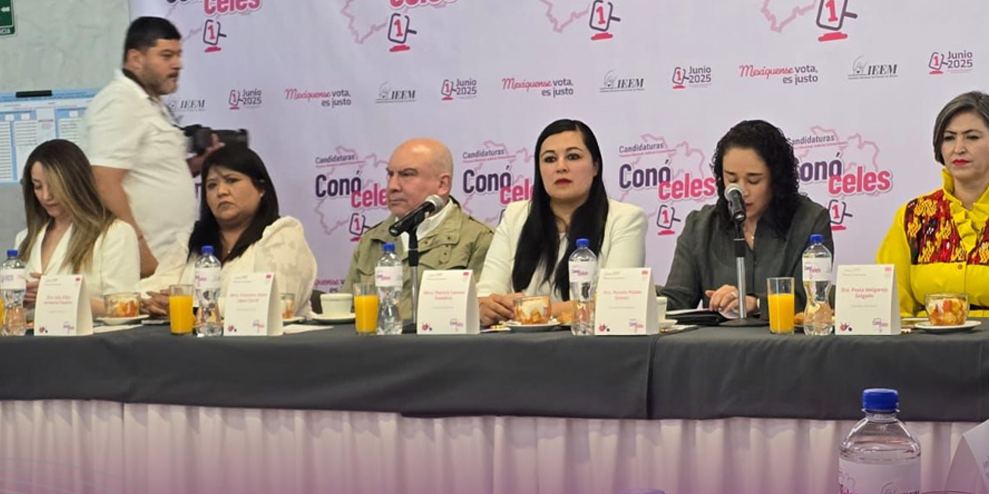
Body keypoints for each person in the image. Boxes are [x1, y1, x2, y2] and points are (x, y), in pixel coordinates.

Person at [877, 91, 989, 318]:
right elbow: (889, 308)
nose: (958, 148)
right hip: (926, 340)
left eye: (972, 137)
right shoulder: (913, 216)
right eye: (949, 138)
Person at [478, 119, 647, 325]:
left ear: (595, 166)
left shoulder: (625, 219)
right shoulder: (515, 216)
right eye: (549, 159)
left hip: (588, 342)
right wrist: (486, 307)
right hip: (517, 342)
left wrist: (531, 309)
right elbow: (487, 292)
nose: (561, 167)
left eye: (573, 157)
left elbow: (616, 302)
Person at [86, 17, 217, 279]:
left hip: (169, 257)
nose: (178, 64)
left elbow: (150, 171)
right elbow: (103, 182)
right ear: (135, 58)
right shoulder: (120, 102)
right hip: (143, 264)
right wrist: (141, 253)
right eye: (166, 55)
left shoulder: (151, 103)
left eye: (178, 55)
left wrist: (196, 165)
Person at [661, 119, 832, 315]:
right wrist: (639, 298)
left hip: (783, 335)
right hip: (716, 336)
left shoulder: (811, 221)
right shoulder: (699, 226)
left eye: (754, 180)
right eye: (732, 179)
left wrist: (756, 303)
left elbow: (811, 299)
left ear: (777, 179)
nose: (741, 191)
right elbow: (677, 300)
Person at [141, 144, 317, 317]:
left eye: (232, 180)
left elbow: (275, 304)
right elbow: (152, 290)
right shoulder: (192, 238)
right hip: (195, 336)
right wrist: (151, 303)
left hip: (266, 337)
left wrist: (189, 307)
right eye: (212, 185)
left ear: (261, 189)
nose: (221, 191)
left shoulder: (282, 234)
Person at [342, 138, 493, 321]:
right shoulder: (372, 240)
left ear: (442, 184)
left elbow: (482, 317)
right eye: (390, 175)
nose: (392, 186)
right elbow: (345, 314)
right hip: (376, 340)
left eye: (407, 175)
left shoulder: (477, 238)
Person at [15, 140, 140, 319]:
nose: (46, 196)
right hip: (32, 336)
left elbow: (126, 309)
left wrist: (58, 295)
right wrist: (17, 300)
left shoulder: (115, 234)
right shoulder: (25, 239)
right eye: (38, 186)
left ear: (76, 184)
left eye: (54, 186)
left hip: (93, 337)